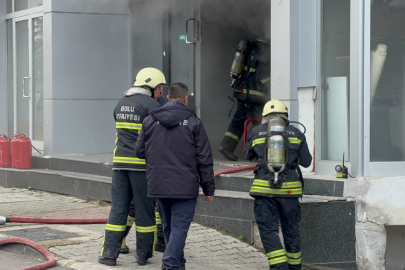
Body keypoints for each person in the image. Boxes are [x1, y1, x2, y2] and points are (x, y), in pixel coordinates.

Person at [135, 82, 215, 270]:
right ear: (186, 99)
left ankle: (177, 264)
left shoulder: (149, 120)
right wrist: (209, 188)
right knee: (179, 228)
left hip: (158, 185)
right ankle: (170, 264)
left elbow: (139, 151)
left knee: (170, 227)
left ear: (168, 97)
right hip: (184, 186)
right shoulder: (194, 122)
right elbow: (204, 158)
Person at [99, 67, 166, 266]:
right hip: (141, 167)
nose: (161, 92)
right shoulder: (151, 106)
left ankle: (109, 254)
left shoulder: (121, 103)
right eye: (160, 88)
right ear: (152, 86)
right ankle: (143, 254)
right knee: (145, 210)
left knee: (118, 209)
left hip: (119, 165)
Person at [246, 99, 312, 270]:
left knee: (268, 231)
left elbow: (248, 155)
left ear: (264, 116)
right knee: (291, 229)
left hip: (264, 190)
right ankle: (294, 267)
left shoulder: (256, 131)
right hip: (290, 192)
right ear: (286, 115)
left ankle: (279, 266)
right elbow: (306, 162)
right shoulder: (296, 133)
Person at [219, 39, 270, 161]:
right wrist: (271, 88)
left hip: (241, 93)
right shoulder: (265, 51)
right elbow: (263, 77)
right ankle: (255, 152)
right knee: (261, 125)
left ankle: (226, 146)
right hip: (256, 97)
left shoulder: (247, 49)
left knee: (239, 121)